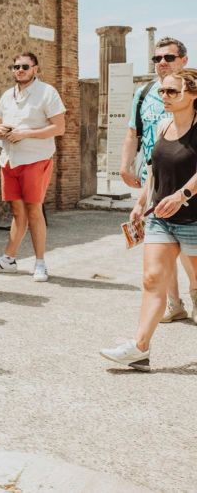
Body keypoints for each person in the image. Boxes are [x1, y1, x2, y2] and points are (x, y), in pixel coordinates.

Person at [101, 69, 197, 371]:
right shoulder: (164, 124)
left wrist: (182, 195)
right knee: (152, 279)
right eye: (163, 92)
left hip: (193, 218)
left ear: (193, 94)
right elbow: (155, 169)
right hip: (161, 218)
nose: (165, 97)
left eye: (173, 92)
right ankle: (140, 349)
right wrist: (142, 201)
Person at [119, 37, 197, 322]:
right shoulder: (143, 93)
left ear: (183, 60)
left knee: (188, 249)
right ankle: (173, 303)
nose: (162, 63)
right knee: (163, 250)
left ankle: (194, 294)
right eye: (157, 59)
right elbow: (132, 132)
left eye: (169, 58)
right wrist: (125, 165)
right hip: (155, 173)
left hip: (186, 174)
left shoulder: (189, 89)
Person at [0, 52, 66, 282]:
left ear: (35, 69)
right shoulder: (8, 95)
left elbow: (59, 128)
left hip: (35, 159)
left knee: (34, 210)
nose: (19, 70)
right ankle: (9, 259)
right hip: (9, 159)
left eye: (25, 66)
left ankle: (40, 263)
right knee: (17, 212)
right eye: (16, 66)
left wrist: (26, 133)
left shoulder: (47, 92)